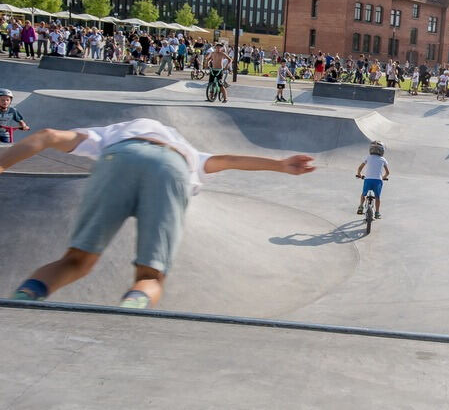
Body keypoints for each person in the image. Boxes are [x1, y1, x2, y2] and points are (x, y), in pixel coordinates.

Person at [4, 118, 315, 308]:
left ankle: (24, 297)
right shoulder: (188, 149)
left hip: (119, 157)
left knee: (75, 262)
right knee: (150, 276)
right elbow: (227, 159)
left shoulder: (107, 134)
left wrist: (2, 163)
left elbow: (45, 135)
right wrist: (280, 165)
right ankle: (131, 307)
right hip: (173, 166)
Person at [356, 140, 390, 219]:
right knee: (377, 197)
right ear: (382, 150)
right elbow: (387, 173)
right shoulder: (383, 159)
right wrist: (383, 178)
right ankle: (377, 213)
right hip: (378, 181)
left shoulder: (368, 157)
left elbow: (360, 168)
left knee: (363, 194)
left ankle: (361, 206)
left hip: (368, 180)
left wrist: (359, 175)